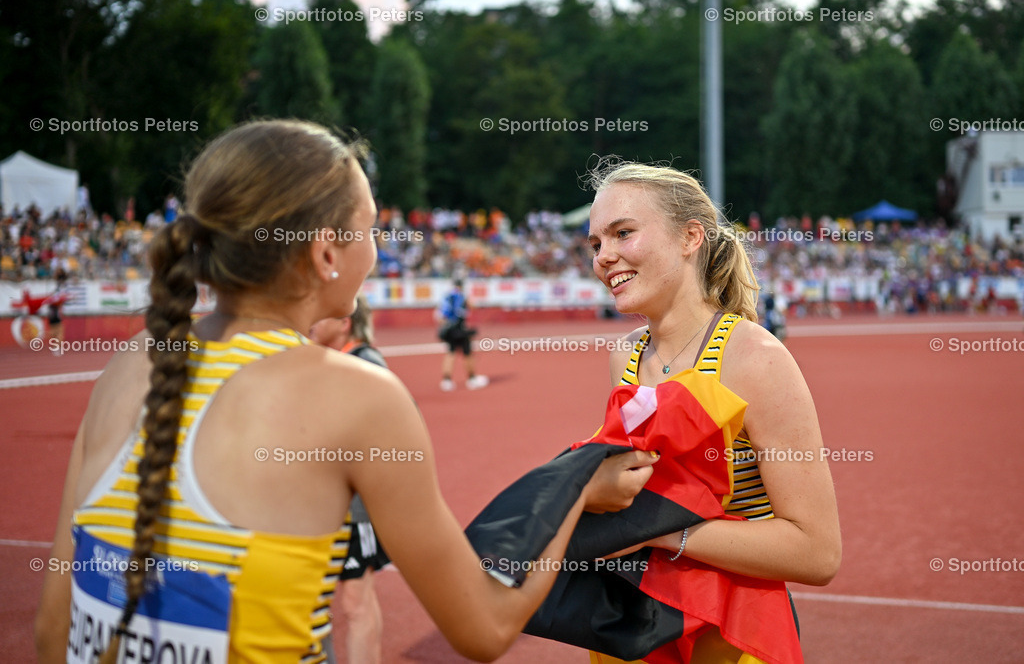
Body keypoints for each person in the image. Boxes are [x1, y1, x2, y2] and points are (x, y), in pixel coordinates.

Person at [34, 120, 657, 664]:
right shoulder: (357, 397)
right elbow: (487, 627)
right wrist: (578, 494)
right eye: (371, 229)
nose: (380, 248)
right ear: (326, 251)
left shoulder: (129, 366)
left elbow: (52, 631)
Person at [584, 160, 841, 663]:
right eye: (595, 244)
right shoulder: (626, 358)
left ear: (690, 237)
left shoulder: (755, 359)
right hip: (634, 625)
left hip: (733, 633)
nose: (604, 257)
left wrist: (660, 531)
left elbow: (817, 551)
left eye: (623, 233)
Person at [309, 295, 390, 664]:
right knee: (314, 602)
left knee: (356, 602)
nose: (309, 320)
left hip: (353, 508)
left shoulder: (365, 364)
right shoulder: (326, 361)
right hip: (321, 504)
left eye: (319, 314)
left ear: (344, 322)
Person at [437, 278, 487, 391]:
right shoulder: (462, 296)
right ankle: (472, 379)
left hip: (449, 329)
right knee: (467, 353)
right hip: (459, 328)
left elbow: (440, 316)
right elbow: (473, 306)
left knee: (450, 353)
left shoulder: (446, 297)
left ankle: (446, 381)